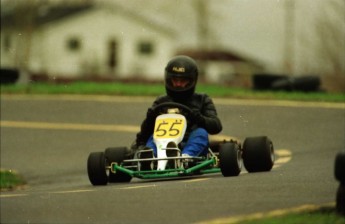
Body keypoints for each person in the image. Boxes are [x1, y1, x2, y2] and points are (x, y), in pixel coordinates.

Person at [135, 55, 222, 158]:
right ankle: (149, 157)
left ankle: (186, 157)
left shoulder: (202, 99)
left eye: (182, 81)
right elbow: (144, 133)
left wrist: (199, 118)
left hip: (189, 140)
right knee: (153, 136)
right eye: (175, 80)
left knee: (201, 133)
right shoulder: (161, 101)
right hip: (162, 143)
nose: (178, 84)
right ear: (168, 79)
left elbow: (216, 126)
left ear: (191, 80)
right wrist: (150, 119)